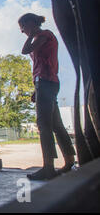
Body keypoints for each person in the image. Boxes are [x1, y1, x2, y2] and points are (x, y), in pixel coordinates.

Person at [18, 13, 76, 180]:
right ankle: (69, 161)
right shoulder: (42, 37)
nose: (22, 31)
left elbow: (25, 50)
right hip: (45, 83)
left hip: (46, 82)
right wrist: (37, 89)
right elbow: (41, 64)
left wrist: (31, 34)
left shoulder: (44, 35)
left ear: (31, 23)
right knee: (56, 124)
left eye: (23, 26)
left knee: (43, 125)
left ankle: (48, 167)